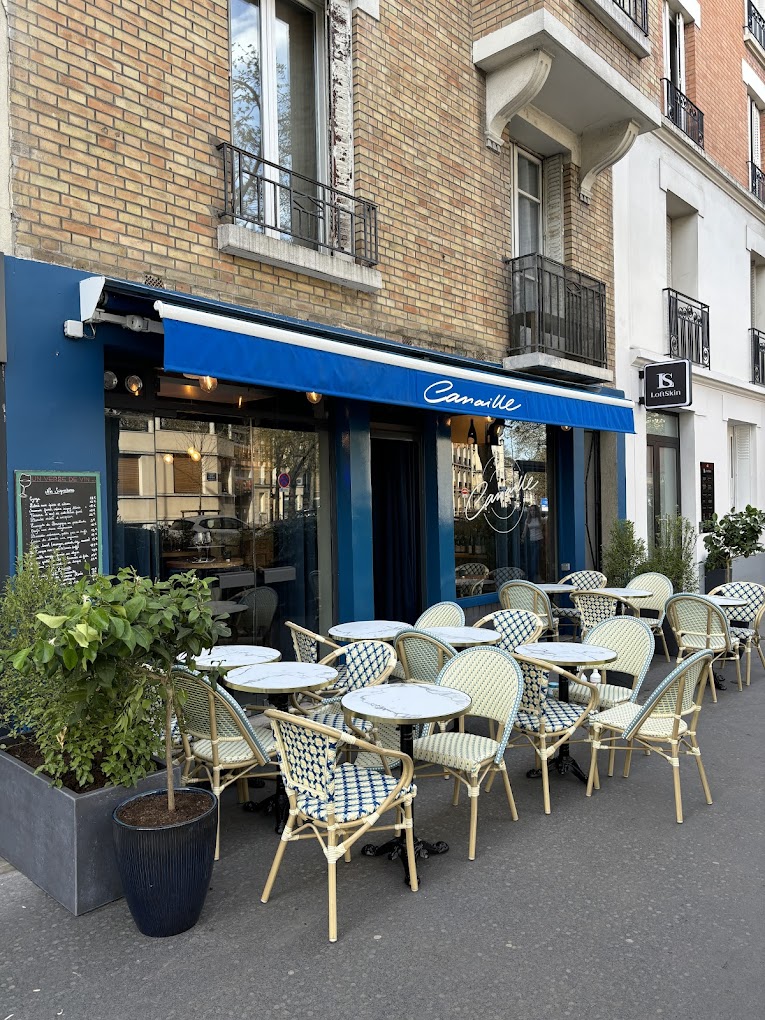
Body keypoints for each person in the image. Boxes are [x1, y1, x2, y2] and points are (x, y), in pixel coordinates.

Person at [522, 504, 544, 581]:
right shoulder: (528, 520)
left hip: (539, 540)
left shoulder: (540, 519)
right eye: (531, 510)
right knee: (532, 559)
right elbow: (525, 531)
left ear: (536, 511)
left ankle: (535, 576)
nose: (532, 512)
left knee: (536, 559)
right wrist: (522, 538)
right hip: (531, 541)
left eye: (534, 510)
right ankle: (532, 577)